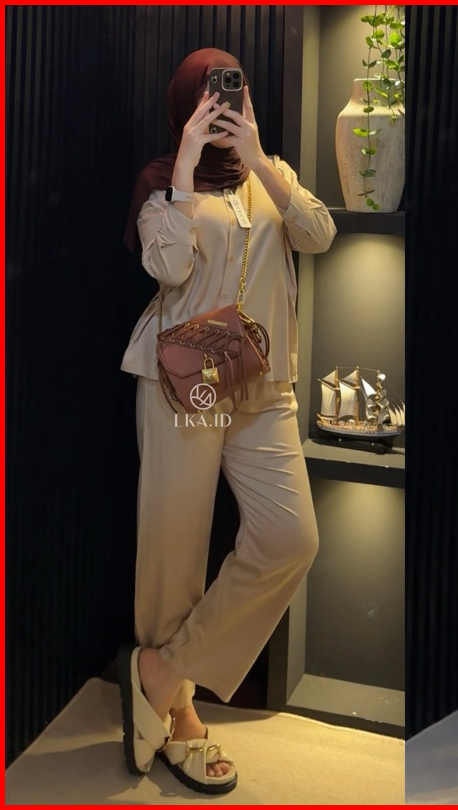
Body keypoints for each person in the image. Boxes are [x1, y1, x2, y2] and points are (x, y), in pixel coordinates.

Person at [118, 48, 336, 795]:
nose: (223, 107)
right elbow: (168, 267)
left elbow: (318, 233)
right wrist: (185, 164)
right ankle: (179, 715)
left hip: (263, 384)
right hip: (185, 380)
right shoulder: (161, 183)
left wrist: (261, 159)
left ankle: (161, 672)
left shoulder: (269, 174)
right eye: (208, 97)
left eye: (233, 93)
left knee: (291, 538)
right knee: (173, 557)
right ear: (186, 103)